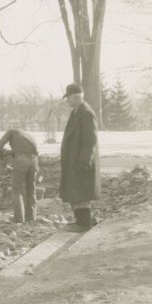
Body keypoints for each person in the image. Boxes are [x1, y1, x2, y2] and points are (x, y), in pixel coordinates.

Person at [59, 83, 100, 231]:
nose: (67, 101)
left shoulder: (86, 113)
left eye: (68, 98)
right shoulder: (77, 112)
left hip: (81, 161)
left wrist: (84, 161)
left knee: (81, 192)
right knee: (76, 191)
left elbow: (90, 140)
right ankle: (83, 219)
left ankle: (83, 223)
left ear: (75, 97)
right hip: (74, 159)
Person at [0, 127, 39, 223]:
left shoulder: (12, 131)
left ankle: (19, 219)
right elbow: (34, 151)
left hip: (21, 160)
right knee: (31, 190)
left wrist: (0, 156)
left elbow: (0, 143)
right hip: (34, 160)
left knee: (17, 190)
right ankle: (31, 217)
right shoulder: (29, 134)